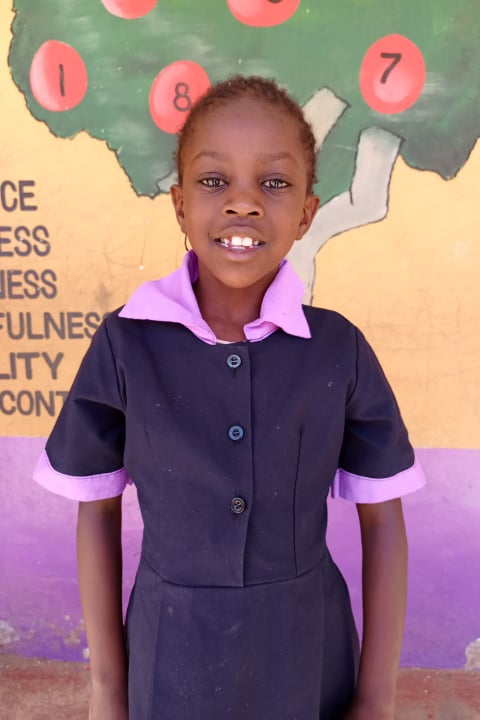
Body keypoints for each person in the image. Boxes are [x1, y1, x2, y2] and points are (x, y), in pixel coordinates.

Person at [34, 75, 425, 720]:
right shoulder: (125, 345)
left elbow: (382, 520)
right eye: (214, 181)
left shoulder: (338, 349)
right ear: (180, 204)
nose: (243, 203)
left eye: (274, 182)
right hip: (170, 661)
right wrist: (108, 691)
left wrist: (377, 697)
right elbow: (96, 512)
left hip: (307, 658)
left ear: (306, 213)